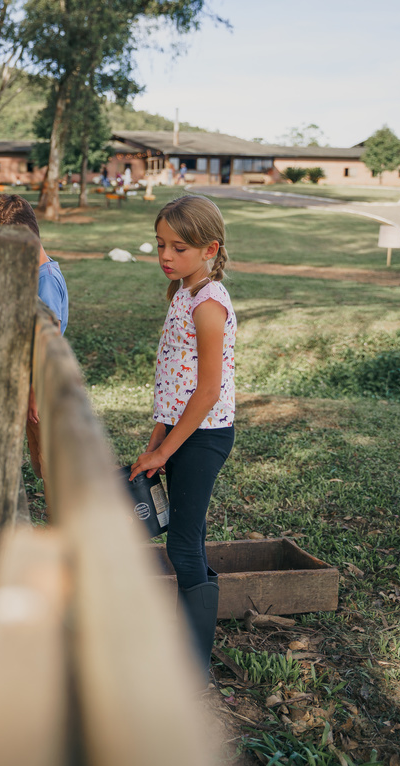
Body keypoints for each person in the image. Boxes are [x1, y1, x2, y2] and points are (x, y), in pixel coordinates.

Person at [129, 194, 235, 681]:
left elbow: (208, 390)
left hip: (204, 436)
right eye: (160, 245)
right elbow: (173, 385)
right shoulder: (182, 294)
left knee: (183, 544)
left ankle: (194, 662)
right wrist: (155, 443)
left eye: (179, 248)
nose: (166, 256)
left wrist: (167, 448)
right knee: (188, 535)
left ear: (210, 249)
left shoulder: (209, 304)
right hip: (178, 433)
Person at [0, 194, 68, 479]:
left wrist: (32, 393)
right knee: (36, 453)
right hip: (25, 381)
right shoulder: (28, 273)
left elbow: (47, 340)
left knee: (50, 459)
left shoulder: (46, 280)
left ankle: (61, 517)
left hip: (40, 386)